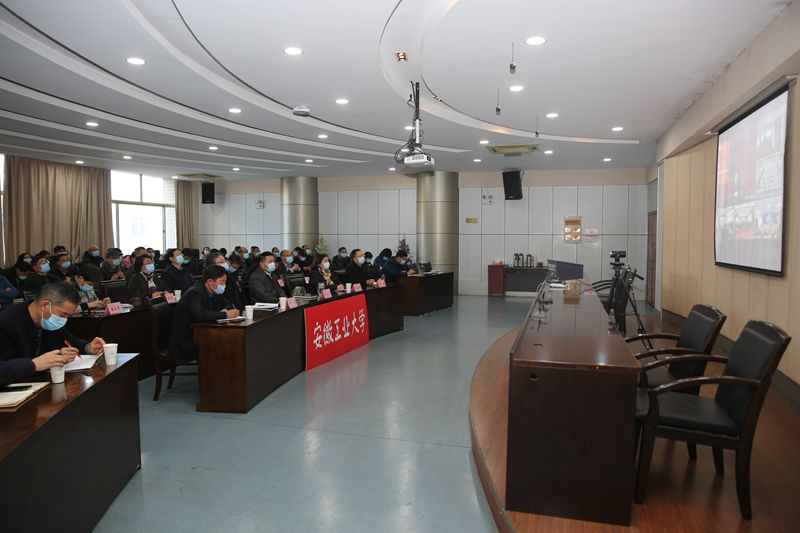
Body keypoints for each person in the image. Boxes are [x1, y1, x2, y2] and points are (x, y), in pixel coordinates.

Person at [0, 282, 106, 385]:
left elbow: (70, 341)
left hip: (42, 383)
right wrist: (34, 364)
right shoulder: (6, 322)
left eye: (68, 316)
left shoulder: (48, 321)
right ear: (45, 305)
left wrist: (88, 347)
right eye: (63, 315)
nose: (64, 320)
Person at [169, 265, 238, 360]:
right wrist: (225, 314)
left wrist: (226, 309)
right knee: (224, 345)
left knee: (230, 341)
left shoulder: (213, 292)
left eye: (225, 282)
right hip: (188, 339)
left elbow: (228, 304)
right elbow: (200, 315)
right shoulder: (195, 293)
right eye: (221, 282)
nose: (224, 285)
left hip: (203, 333)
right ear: (210, 281)